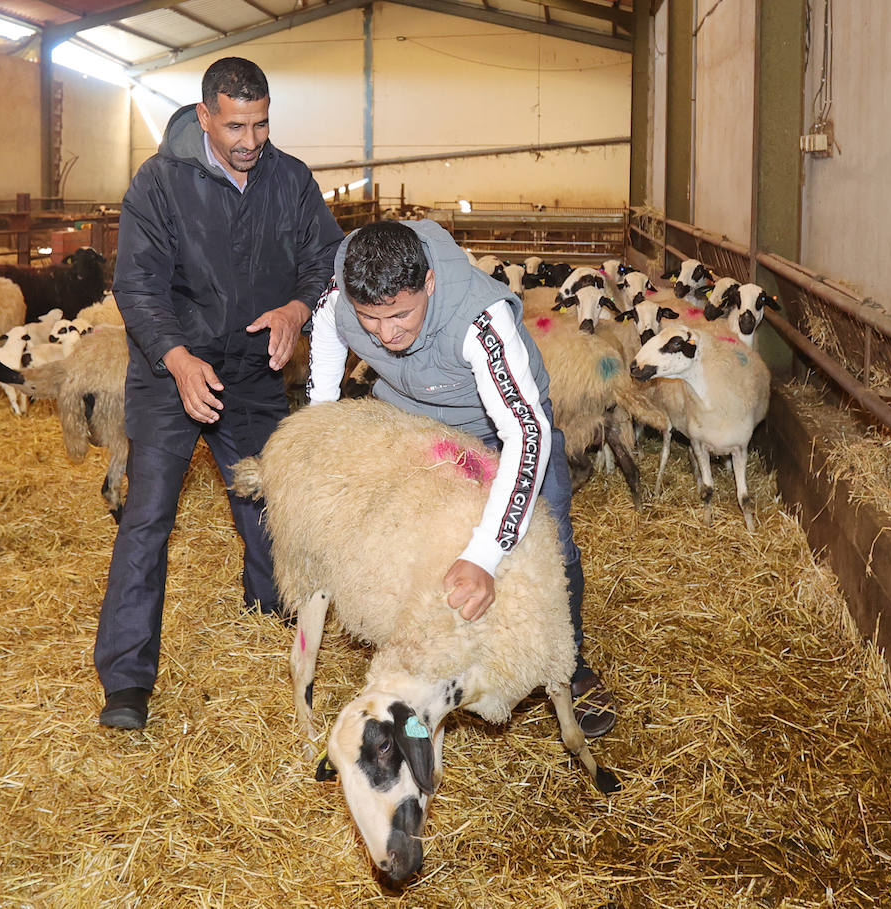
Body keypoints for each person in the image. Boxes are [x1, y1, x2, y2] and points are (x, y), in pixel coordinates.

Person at [96, 58, 343, 730]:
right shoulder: (157, 183)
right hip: (169, 368)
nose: (250, 139)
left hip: (252, 367)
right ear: (203, 115)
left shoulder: (288, 179)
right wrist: (175, 359)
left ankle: (270, 608)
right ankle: (126, 679)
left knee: (266, 495)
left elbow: (328, 259)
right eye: (236, 125)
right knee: (147, 516)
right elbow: (138, 287)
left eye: (261, 123)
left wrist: (297, 307)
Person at [308, 219, 617, 737]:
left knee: (551, 542)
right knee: (407, 539)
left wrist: (485, 554)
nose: (387, 334)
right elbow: (325, 339)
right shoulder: (340, 302)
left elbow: (527, 432)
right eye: (371, 319)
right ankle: (417, 654)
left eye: (401, 314)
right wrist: (324, 433)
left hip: (501, 431)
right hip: (415, 428)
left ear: (429, 282)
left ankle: (573, 663)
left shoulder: (481, 317)